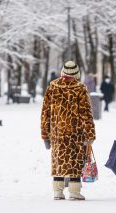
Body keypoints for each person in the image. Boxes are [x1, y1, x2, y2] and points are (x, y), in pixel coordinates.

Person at [41, 61, 96, 200]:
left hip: (57, 133)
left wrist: (45, 135)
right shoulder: (80, 88)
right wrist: (90, 135)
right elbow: (86, 114)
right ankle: (74, 192)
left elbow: (45, 113)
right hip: (75, 133)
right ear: (77, 74)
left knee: (59, 161)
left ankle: (58, 192)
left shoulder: (52, 87)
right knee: (74, 162)